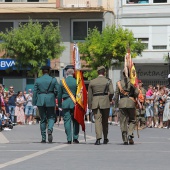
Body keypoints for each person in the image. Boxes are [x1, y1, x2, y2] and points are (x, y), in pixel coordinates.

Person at [88, 66, 114, 145]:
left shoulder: (92, 82)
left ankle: (98, 138)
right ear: (104, 72)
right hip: (105, 101)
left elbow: (90, 95)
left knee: (97, 121)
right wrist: (109, 98)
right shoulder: (108, 81)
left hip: (96, 102)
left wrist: (90, 105)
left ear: (97, 72)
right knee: (105, 121)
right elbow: (112, 92)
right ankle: (105, 138)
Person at [32, 66, 59, 143]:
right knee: (51, 117)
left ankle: (43, 138)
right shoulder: (53, 80)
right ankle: (50, 129)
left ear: (42, 71)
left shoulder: (38, 80)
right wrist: (55, 95)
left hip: (41, 100)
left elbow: (35, 92)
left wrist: (34, 102)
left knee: (42, 119)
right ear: (49, 71)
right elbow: (57, 90)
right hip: (50, 99)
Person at [114, 70, 139, 145]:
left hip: (122, 103)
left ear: (123, 74)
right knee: (132, 120)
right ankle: (130, 134)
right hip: (131, 103)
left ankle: (125, 139)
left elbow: (116, 95)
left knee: (123, 121)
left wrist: (116, 105)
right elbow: (136, 93)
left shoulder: (119, 83)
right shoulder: (132, 82)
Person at [58, 68, 79, 144]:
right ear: (73, 74)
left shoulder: (62, 82)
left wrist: (59, 104)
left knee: (67, 121)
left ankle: (69, 139)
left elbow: (59, 95)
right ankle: (75, 138)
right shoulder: (76, 81)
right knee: (76, 121)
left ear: (66, 73)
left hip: (66, 103)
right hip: (75, 103)